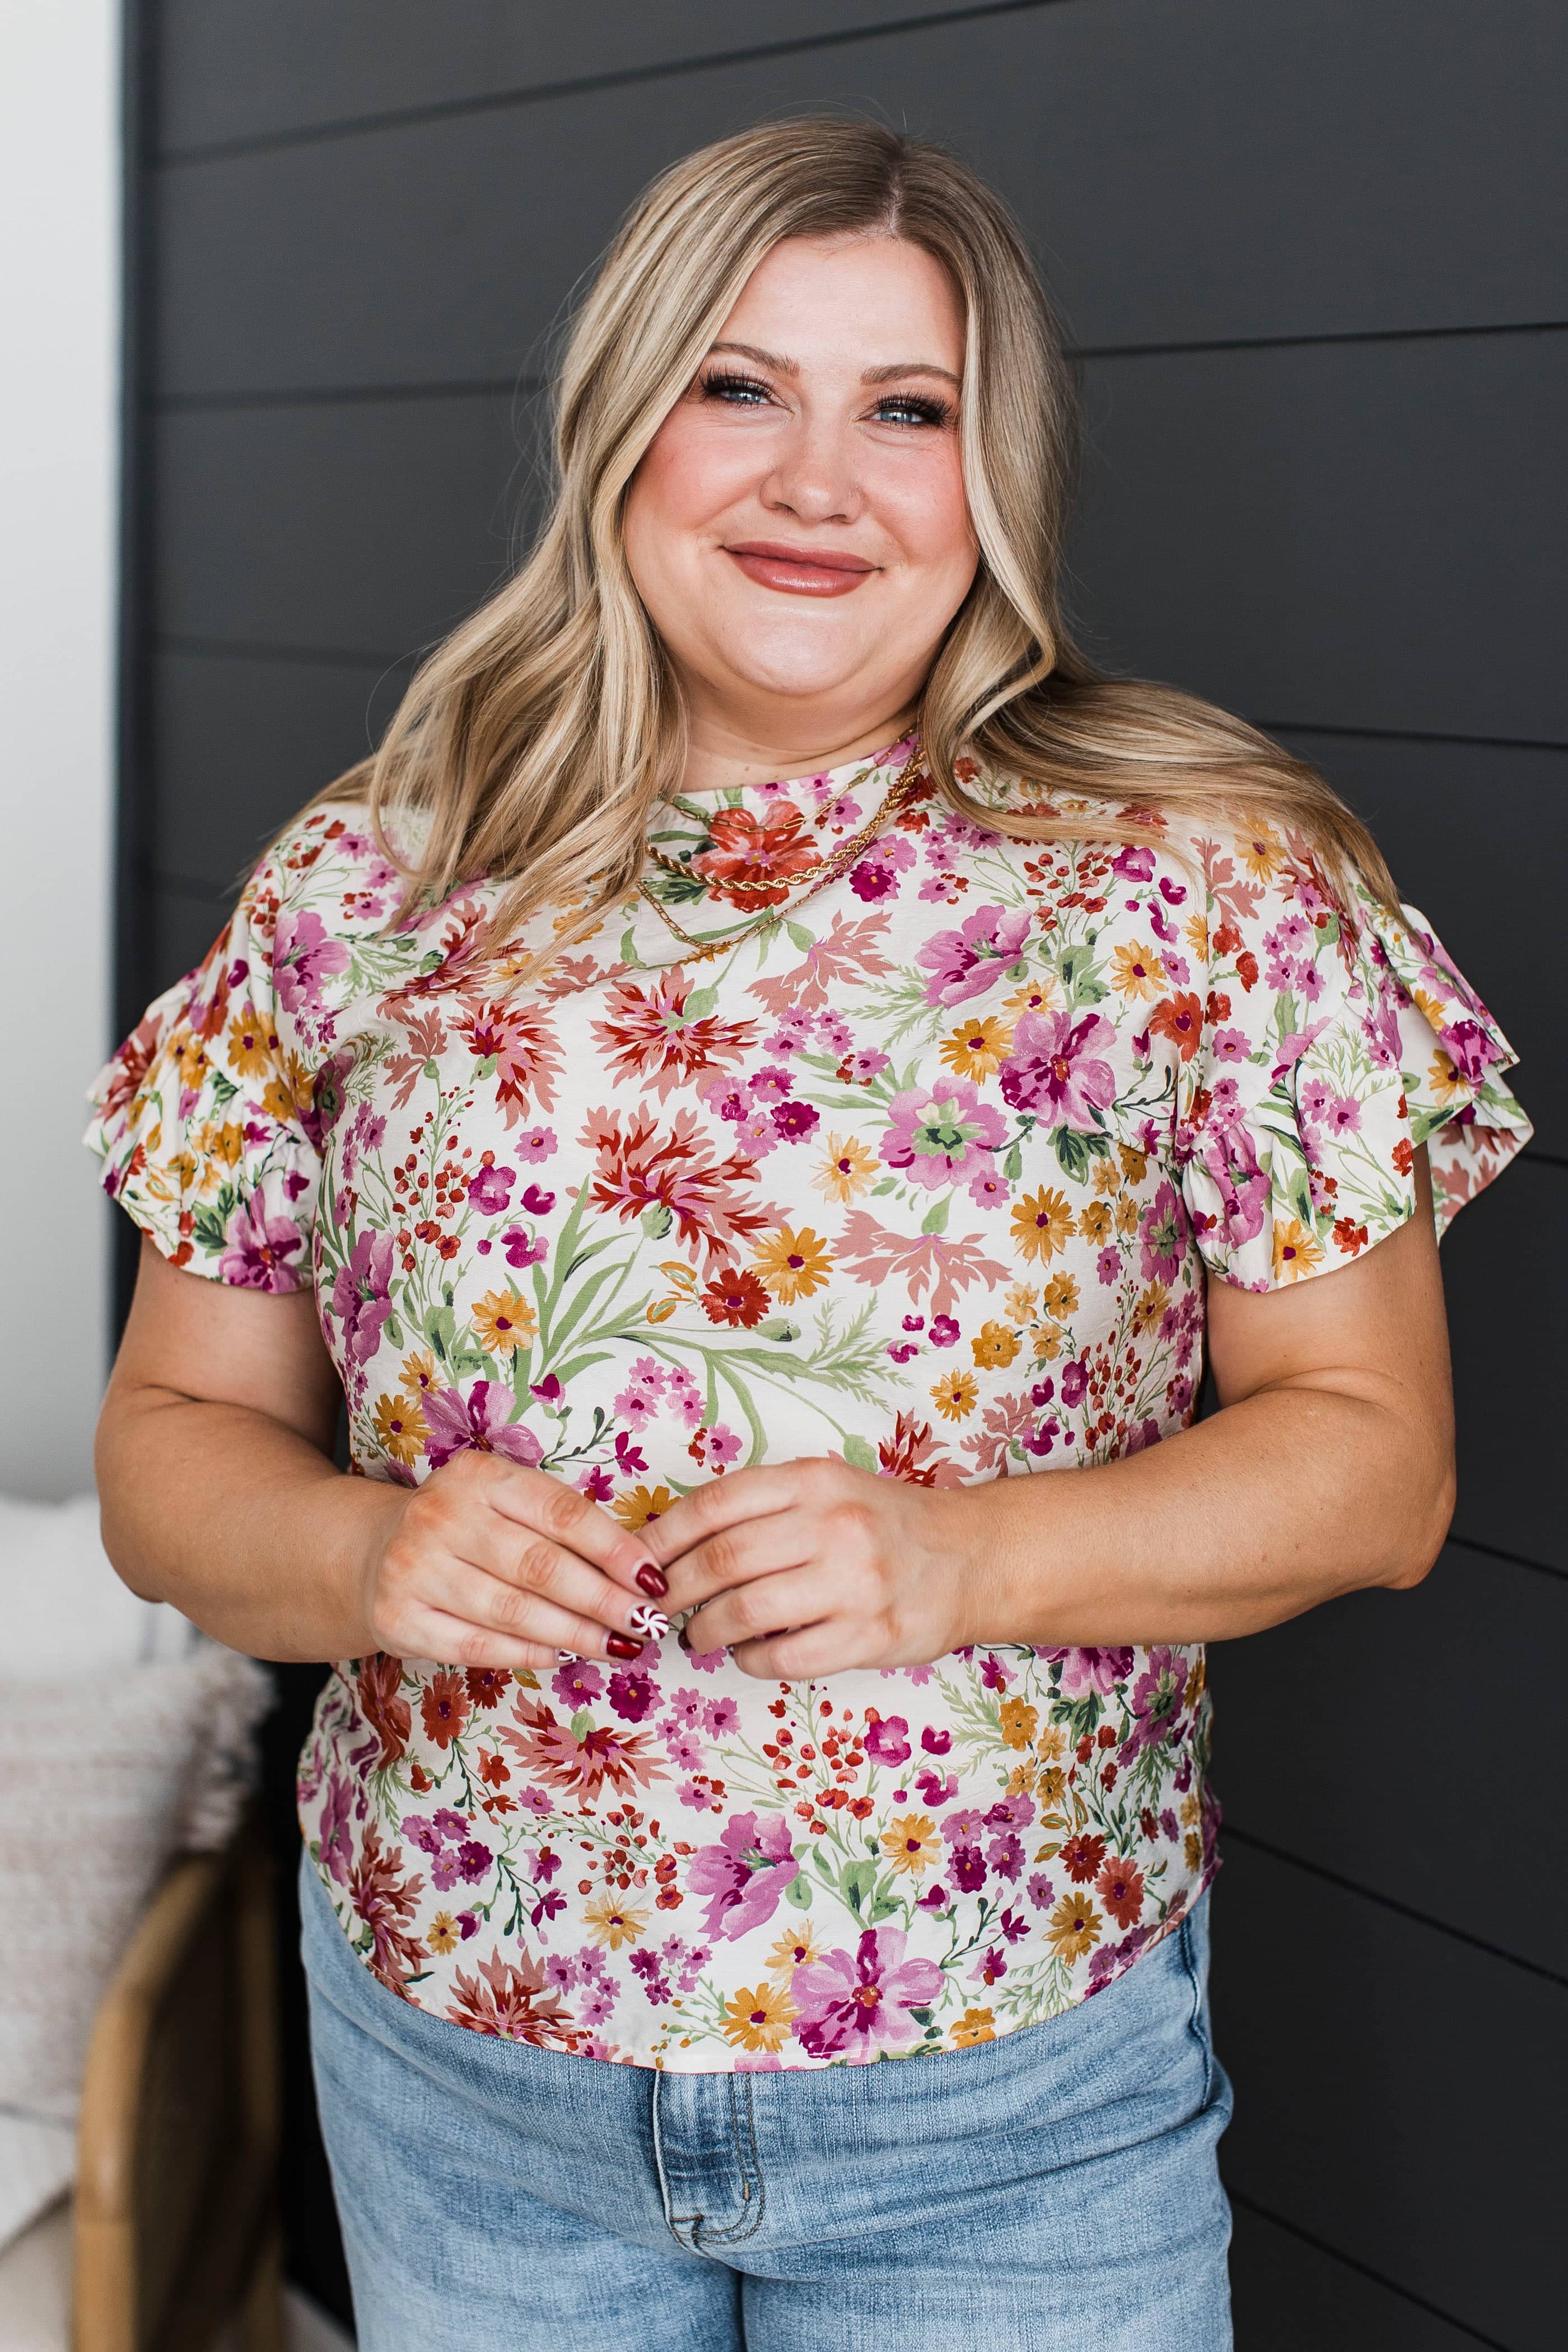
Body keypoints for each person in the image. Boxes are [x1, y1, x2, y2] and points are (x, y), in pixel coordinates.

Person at [87, 119, 1529, 2352]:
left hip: (1003, 2101)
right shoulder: (364, 888)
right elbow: (169, 1454)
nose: (816, 481)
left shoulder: (1198, 880)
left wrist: (964, 1560)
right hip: (461, 2083)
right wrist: (369, 1561)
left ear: (990, 476)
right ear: (622, 416)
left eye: (907, 408)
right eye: (739, 386)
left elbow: (1377, 1466)